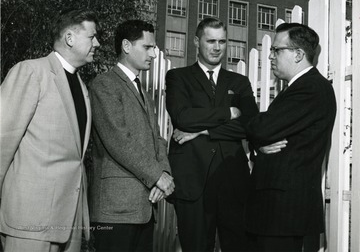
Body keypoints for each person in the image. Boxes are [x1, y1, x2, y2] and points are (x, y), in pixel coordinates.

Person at [0, 8, 100, 252]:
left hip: (69, 222)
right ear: (69, 38)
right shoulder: (31, 72)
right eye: (92, 37)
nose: (97, 43)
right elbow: (2, 139)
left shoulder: (82, 86)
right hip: (30, 220)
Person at [165, 17, 259, 251]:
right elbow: (183, 118)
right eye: (211, 41)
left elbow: (251, 124)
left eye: (222, 41)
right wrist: (229, 111)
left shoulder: (239, 82)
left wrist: (203, 130)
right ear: (197, 41)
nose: (217, 47)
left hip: (233, 181)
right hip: (193, 181)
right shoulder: (178, 77)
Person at [245, 23, 336, 252]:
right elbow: (265, 131)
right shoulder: (296, 88)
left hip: (285, 213)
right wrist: (260, 143)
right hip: (276, 212)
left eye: (277, 50)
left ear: (298, 55)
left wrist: (252, 125)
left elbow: (261, 128)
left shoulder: (312, 88)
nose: (270, 56)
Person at [89, 19, 175, 252]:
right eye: (147, 47)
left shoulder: (142, 91)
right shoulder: (104, 84)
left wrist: (164, 172)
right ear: (126, 46)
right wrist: (157, 175)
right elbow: (118, 141)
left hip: (144, 208)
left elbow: (158, 139)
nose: (153, 54)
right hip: (116, 210)